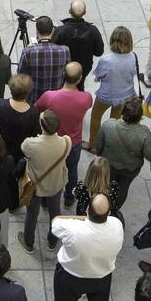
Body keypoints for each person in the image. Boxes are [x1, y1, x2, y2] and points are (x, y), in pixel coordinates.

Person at [41, 194, 124, 301]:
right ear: (108, 214)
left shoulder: (73, 229)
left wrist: (82, 218)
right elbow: (112, 221)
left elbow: (56, 221)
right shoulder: (117, 225)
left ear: (87, 210)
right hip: (101, 277)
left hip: (70, 277)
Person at [36, 64, 93, 205]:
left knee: (49, 171)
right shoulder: (86, 98)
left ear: (63, 75)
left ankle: (45, 200)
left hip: (53, 143)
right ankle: (69, 198)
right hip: (73, 143)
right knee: (72, 171)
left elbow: (36, 108)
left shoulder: (49, 96)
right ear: (80, 79)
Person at [19, 110, 72, 253]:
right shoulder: (66, 141)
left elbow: (23, 149)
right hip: (56, 184)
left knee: (32, 214)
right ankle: (52, 241)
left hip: (36, 186)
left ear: (42, 126)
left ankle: (29, 242)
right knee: (55, 212)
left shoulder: (30, 144)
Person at [93, 96, 151, 208]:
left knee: (105, 185)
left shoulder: (109, 124)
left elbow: (98, 145)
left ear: (123, 111)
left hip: (108, 164)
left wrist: (100, 156)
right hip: (130, 168)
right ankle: (115, 209)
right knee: (123, 189)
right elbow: (149, 155)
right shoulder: (144, 133)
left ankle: (101, 206)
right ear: (140, 116)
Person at [89, 26, 136, 149]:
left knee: (95, 117)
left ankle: (93, 144)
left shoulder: (106, 59)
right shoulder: (133, 57)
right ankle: (110, 143)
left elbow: (98, 75)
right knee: (114, 122)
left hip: (106, 96)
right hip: (125, 95)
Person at [18, 15, 71, 105]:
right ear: (53, 30)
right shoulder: (65, 50)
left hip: (34, 98)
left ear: (37, 31)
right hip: (55, 98)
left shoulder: (28, 52)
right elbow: (67, 72)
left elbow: (21, 74)